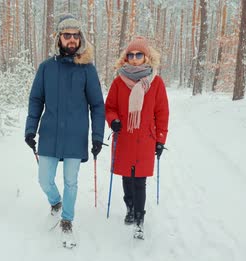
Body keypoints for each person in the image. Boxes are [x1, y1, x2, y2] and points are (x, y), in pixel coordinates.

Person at [24, 14, 105, 242]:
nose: (71, 39)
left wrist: (97, 136)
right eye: (66, 35)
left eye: (75, 35)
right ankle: (55, 200)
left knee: (71, 181)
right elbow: (36, 100)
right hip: (49, 133)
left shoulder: (87, 69)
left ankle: (67, 218)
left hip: (75, 136)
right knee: (44, 179)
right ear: (58, 38)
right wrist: (30, 129)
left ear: (81, 39)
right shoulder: (46, 68)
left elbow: (97, 105)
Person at [105, 36, 169, 239]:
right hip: (124, 136)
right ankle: (130, 208)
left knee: (139, 180)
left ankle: (140, 219)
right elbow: (110, 107)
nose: (134, 58)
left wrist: (160, 140)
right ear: (126, 58)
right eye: (130, 55)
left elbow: (162, 112)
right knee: (126, 177)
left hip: (145, 139)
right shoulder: (118, 81)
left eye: (138, 55)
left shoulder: (156, 83)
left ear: (146, 57)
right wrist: (113, 120)